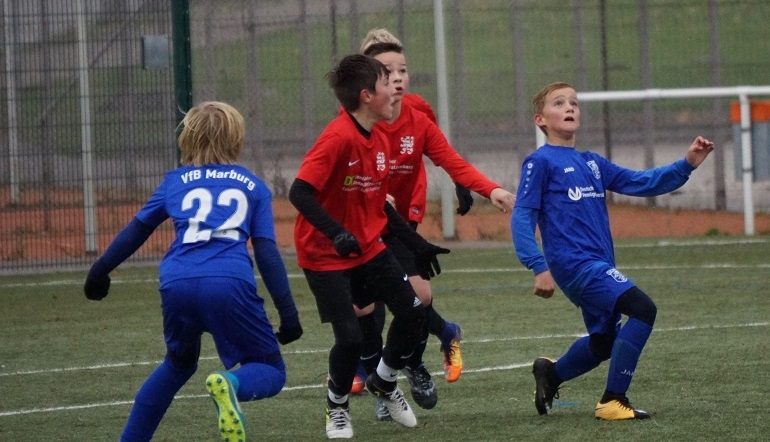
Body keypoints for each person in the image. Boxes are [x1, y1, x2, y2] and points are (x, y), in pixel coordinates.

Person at [82, 101, 302, 442]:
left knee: (178, 364)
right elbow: (267, 253)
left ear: (187, 138)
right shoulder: (253, 185)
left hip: (177, 281)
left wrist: (99, 270)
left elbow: (138, 229)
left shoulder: (175, 182)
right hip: (229, 283)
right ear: (236, 139)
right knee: (271, 369)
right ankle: (230, 384)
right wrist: (288, 314)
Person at [510, 82, 715, 421]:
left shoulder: (591, 162)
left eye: (574, 102)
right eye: (559, 103)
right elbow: (522, 216)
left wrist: (687, 164)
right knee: (643, 309)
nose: (569, 107)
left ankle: (551, 373)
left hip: (598, 263)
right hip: (575, 265)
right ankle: (613, 400)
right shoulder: (539, 162)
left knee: (604, 341)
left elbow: (642, 182)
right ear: (540, 119)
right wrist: (537, 265)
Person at [353, 28, 516, 411]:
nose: (397, 78)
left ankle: (407, 364)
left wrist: (488, 189)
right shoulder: (354, 123)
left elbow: (451, 158)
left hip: (400, 219)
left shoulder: (418, 119)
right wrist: (366, 190)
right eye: (386, 71)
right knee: (366, 307)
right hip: (361, 223)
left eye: (402, 70)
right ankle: (374, 378)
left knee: (419, 296)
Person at [289, 53, 450, 439]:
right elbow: (299, 192)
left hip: (367, 248)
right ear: (366, 96)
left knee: (414, 311)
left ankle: (384, 381)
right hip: (324, 255)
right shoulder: (337, 137)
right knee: (350, 338)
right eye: (386, 82)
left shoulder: (378, 137)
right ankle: (337, 407)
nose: (395, 89)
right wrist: (336, 233)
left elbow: (379, 203)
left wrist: (416, 243)